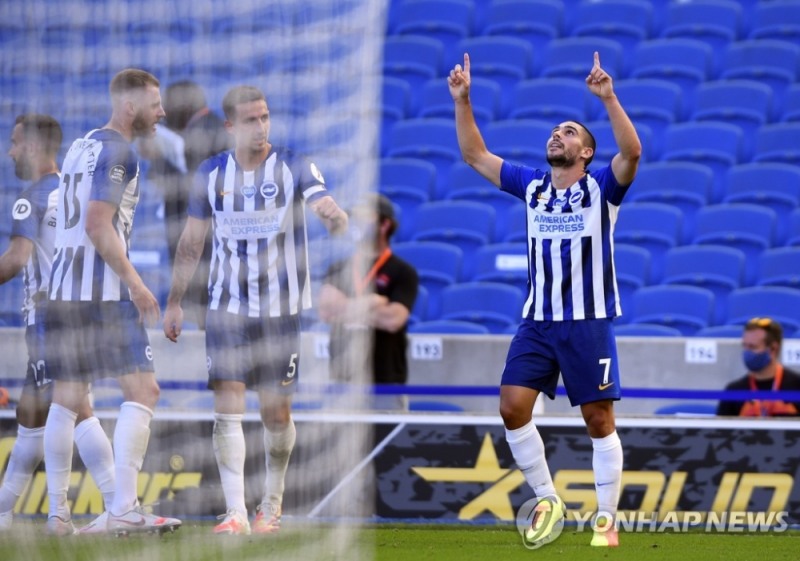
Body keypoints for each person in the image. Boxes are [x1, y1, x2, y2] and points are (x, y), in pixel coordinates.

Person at [449, 52, 641, 548]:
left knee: (598, 420)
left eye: (570, 132)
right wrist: (463, 100)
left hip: (588, 322)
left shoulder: (602, 189)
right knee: (512, 408)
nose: (558, 135)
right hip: (537, 322)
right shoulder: (533, 187)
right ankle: (548, 500)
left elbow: (632, 152)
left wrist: (608, 98)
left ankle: (606, 521)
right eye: (555, 131)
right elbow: (475, 155)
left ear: (586, 153)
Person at [163, 85, 348, 535]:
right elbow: (191, 243)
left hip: (280, 312)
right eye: (251, 119)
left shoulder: (293, 164)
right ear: (230, 126)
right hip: (227, 308)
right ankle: (236, 512)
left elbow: (322, 201)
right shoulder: (211, 173)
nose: (261, 126)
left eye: (265, 117)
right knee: (227, 407)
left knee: (275, 414)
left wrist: (334, 216)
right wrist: (174, 301)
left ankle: (271, 503)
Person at [42, 69, 181, 536]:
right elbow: (98, 224)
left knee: (67, 400)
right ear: (130, 106)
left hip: (63, 291)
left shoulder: (80, 146)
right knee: (144, 391)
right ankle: (123, 507)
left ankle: (58, 515)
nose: (162, 112)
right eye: (155, 104)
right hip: (102, 293)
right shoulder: (121, 152)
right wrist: (136, 285)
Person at [0, 114, 115, 533]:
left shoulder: (31, 198)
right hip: (78, 313)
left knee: (77, 410)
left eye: (15, 143)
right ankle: (7, 512)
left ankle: (115, 503)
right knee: (30, 417)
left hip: (47, 320)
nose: (10, 152)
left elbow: (16, 259)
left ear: (32, 146)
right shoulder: (73, 191)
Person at [318, 193, 419, 410]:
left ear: (384, 225)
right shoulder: (338, 268)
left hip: (385, 383)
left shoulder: (403, 272)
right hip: (342, 382)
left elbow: (393, 320)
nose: (356, 222)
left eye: (365, 216)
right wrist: (373, 301)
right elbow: (326, 311)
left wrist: (346, 308)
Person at [159, 81, 233, 327]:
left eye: (167, 106)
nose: (163, 113)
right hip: (218, 245)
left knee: (209, 318)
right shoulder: (215, 127)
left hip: (205, 245)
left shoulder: (196, 136)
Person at [717, 317, 800, 417]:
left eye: (752, 347)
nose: (747, 352)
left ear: (773, 349)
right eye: (745, 346)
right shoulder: (733, 390)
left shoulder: (797, 386)